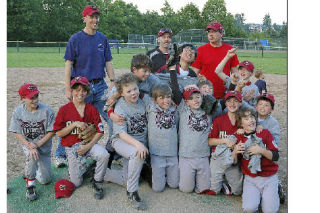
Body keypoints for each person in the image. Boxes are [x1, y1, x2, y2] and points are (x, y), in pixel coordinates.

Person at [55, 5, 116, 167]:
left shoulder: (102, 39)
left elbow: (108, 61)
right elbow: (69, 64)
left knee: (112, 119)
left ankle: (114, 152)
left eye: (97, 17)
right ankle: (61, 154)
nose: (95, 20)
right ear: (84, 18)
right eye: (92, 17)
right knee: (74, 121)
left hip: (101, 87)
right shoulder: (75, 39)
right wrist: (68, 88)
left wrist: (112, 81)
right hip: (82, 88)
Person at [53, 77, 109, 200]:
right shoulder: (64, 110)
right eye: (77, 90)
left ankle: (97, 181)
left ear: (87, 92)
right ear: (72, 91)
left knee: (104, 154)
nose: (80, 93)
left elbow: (100, 131)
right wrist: (74, 124)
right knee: (76, 183)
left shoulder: (91, 109)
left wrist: (88, 146)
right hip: (72, 147)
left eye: (83, 90)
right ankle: (85, 168)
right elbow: (59, 133)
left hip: (88, 144)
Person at [169, 69, 217, 194]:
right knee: (186, 189)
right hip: (186, 156)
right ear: (186, 102)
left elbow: (222, 102)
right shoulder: (184, 110)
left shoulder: (208, 110)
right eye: (191, 98)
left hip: (203, 156)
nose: (195, 100)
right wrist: (173, 71)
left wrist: (197, 87)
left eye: (198, 97)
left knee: (203, 189)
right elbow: (175, 90)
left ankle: (197, 180)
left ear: (202, 97)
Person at [105, 73, 148, 210]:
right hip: (121, 141)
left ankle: (100, 173)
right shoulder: (120, 107)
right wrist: (139, 144)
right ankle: (132, 192)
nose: (133, 93)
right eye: (128, 91)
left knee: (126, 179)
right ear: (121, 94)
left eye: (135, 89)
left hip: (136, 142)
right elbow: (122, 134)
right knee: (137, 153)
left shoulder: (143, 101)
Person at [9, 83, 55, 201]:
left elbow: (52, 131)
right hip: (28, 145)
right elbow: (16, 131)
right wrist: (29, 145)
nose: (35, 100)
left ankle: (31, 169)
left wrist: (37, 144)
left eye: (36, 96)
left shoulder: (47, 110)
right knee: (32, 155)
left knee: (46, 180)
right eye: (31, 98)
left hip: (44, 147)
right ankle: (30, 185)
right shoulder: (18, 111)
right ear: (23, 99)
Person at [232, 106, 280, 213]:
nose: (251, 120)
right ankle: (262, 197)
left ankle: (275, 190)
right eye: (246, 118)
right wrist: (234, 152)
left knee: (270, 211)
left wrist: (261, 150)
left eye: (252, 117)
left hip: (268, 176)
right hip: (251, 178)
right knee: (249, 208)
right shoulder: (239, 137)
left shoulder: (264, 133)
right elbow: (235, 163)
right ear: (241, 123)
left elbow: (276, 156)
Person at [207, 91, 243, 196]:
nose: (232, 104)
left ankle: (228, 180)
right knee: (214, 191)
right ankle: (222, 182)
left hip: (233, 159)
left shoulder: (243, 121)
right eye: (229, 101)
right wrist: (225, 140)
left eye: (235, 101)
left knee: (237, 191)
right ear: (225, 103)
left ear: (240, 103)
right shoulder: (219, 120)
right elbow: (210, 141)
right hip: (218, 158)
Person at [192, 22, 239, 100]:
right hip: (205, 94)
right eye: (209, 32)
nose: (210, 34)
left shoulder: (229, 50)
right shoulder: (201, 50)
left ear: (221, 33)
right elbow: (194, 74)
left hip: (224, 94)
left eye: (213, 32)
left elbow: (235, 73)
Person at [146, 84, 179, 192]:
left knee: (174, 184)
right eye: (162, 98)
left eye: (168, 97)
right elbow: (141, 89)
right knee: (158, 189)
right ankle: (146, 171)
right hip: (157, 153)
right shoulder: (151, 107)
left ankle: (164, 174)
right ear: (155, 99)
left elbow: (177, 127)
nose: (166, 100)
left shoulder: (175, 110)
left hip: (172, 152)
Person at [255, 93, 286, 204]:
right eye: (260, 104)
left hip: (265, 155)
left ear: (271, 110)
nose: (262, 107)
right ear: (256, 106)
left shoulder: (273, 124)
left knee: (266, 173)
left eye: (266, 105)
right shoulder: (251, 116)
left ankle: (276, 186)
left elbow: (274, 146)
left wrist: (264, 133)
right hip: (251, 154)